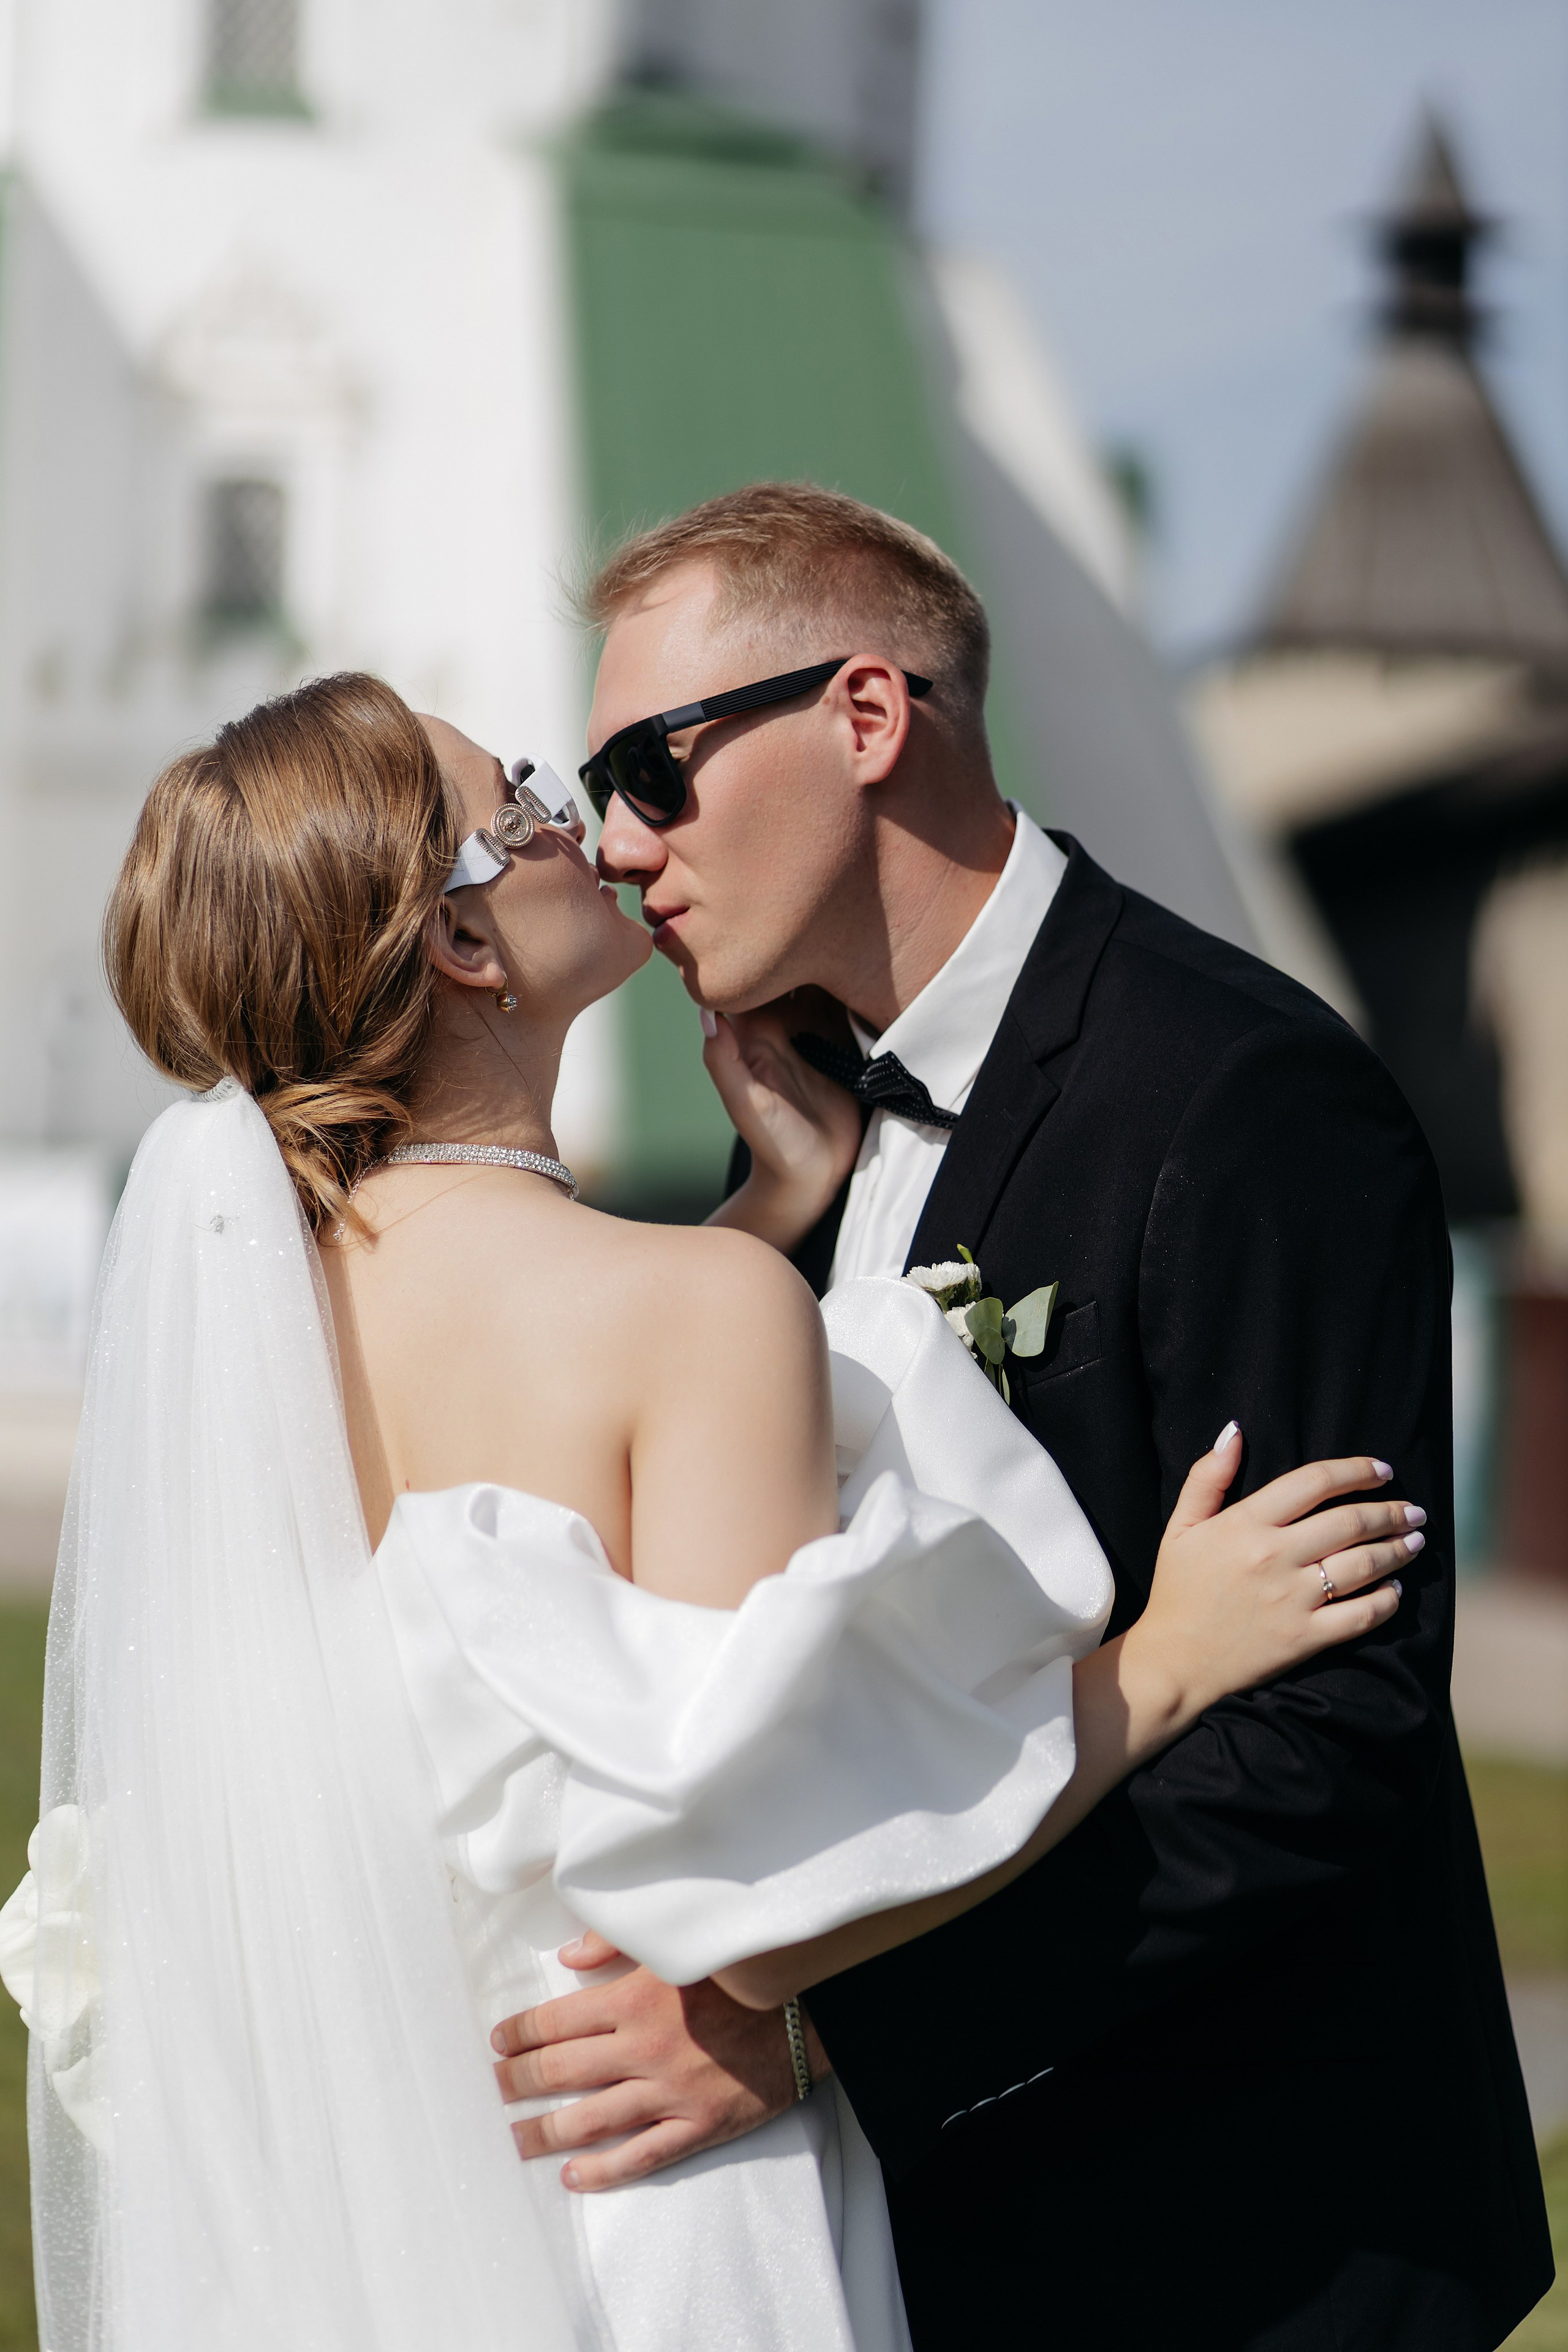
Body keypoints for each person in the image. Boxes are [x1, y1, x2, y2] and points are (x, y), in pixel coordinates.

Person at [1, 673, 1415, 2352]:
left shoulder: (251, 1346)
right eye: (521, 800)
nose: (585, 825)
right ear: (461, 946)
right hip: (656, 2204)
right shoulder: (686, 1317)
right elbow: (787, 1867)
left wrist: (766, 1210)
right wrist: (1165, 1665)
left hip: (397, 2198)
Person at [495, 483, 1553, 2351]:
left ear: (870, 717)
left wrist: (817, 2031)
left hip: (1238, 2244)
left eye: (651, 770)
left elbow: (1321, 1745)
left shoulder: (1247, 1099)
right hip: (939, 2245)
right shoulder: (799, 1137)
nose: (621, 847)